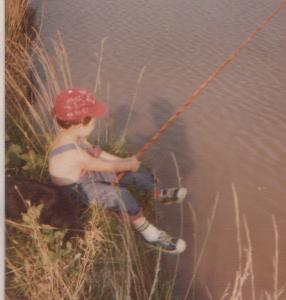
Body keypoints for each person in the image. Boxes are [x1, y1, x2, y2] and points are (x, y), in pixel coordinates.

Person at [48, 87, 187, 254]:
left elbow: (100, 155)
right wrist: (127, 164)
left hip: (85, 173)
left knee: (134, 174)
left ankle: (158, 193)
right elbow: (105, 166)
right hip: (76, 191)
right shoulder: (71, 152)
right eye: (93, 119)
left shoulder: (75, 136)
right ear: (79, 123)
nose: (95, 121)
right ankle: (149, 234)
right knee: (120, 196)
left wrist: (126, 163)